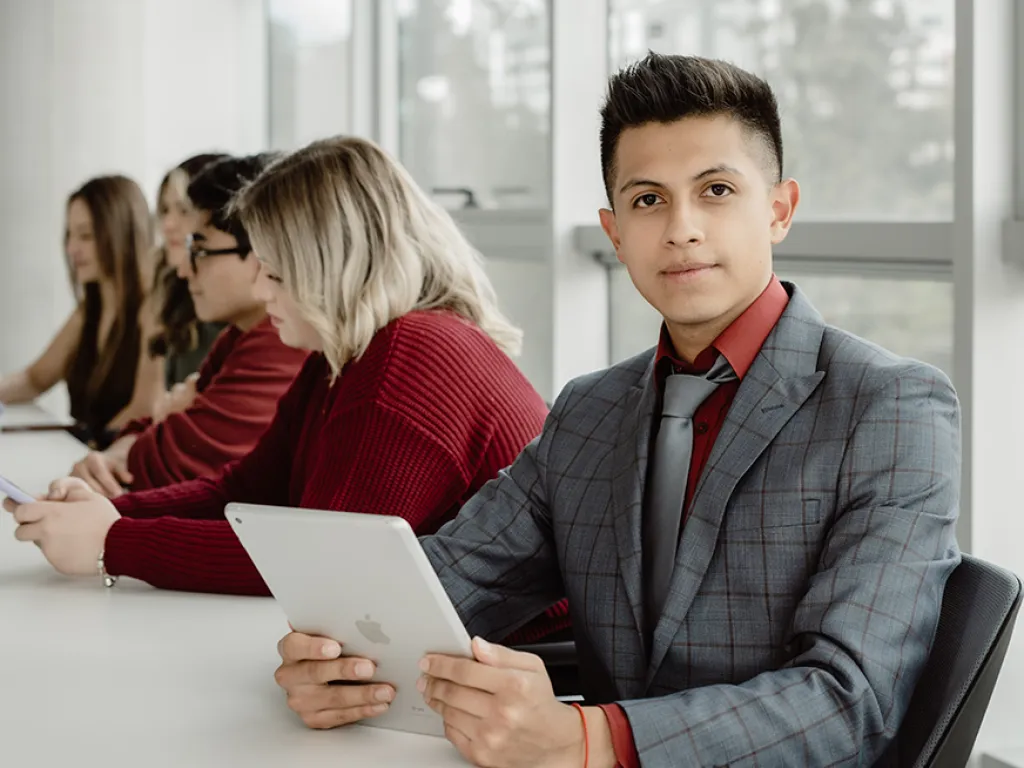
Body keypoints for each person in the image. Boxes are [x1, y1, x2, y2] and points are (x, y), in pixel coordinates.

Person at [270, 54, 961, 767]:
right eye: (647, 200)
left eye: (716, 190)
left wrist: (588, 739)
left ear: (780, 209)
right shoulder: (590, 411)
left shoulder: (889, 406)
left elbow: (851, 701)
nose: (681, 228)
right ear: (614, 232)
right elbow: (446, 580)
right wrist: (337, 659)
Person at [5, 136, 569, 644]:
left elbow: (320, 565)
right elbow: (249, 490)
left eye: (272, 268)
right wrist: (109, 513)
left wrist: (114, 541)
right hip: (438, 646)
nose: (257, 285)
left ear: (328, 268)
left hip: (520, 666)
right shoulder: (346, 358)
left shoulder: (411, 356)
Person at [68, 154, 309, 496]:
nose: (184, 269)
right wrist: (117, 455)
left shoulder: (285, 338)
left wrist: (118, 458)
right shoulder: (240, 333)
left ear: (259, 250)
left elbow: (175, 465)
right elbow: (150, 426)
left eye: (200, 250)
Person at [0, 175, 163, 448]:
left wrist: (88, 450)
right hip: (84, 461)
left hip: (113, 468)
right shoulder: (90, 309)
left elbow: (143, 409)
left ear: (121, 232)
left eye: (86, 236)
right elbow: (34, 378)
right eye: (70, 235)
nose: (71, 249)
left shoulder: (154, 308)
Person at [147, 153, 230, 391]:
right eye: (165, 210)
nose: (168, 224)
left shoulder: (226, 309)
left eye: (183, 210)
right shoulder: (176, 290)